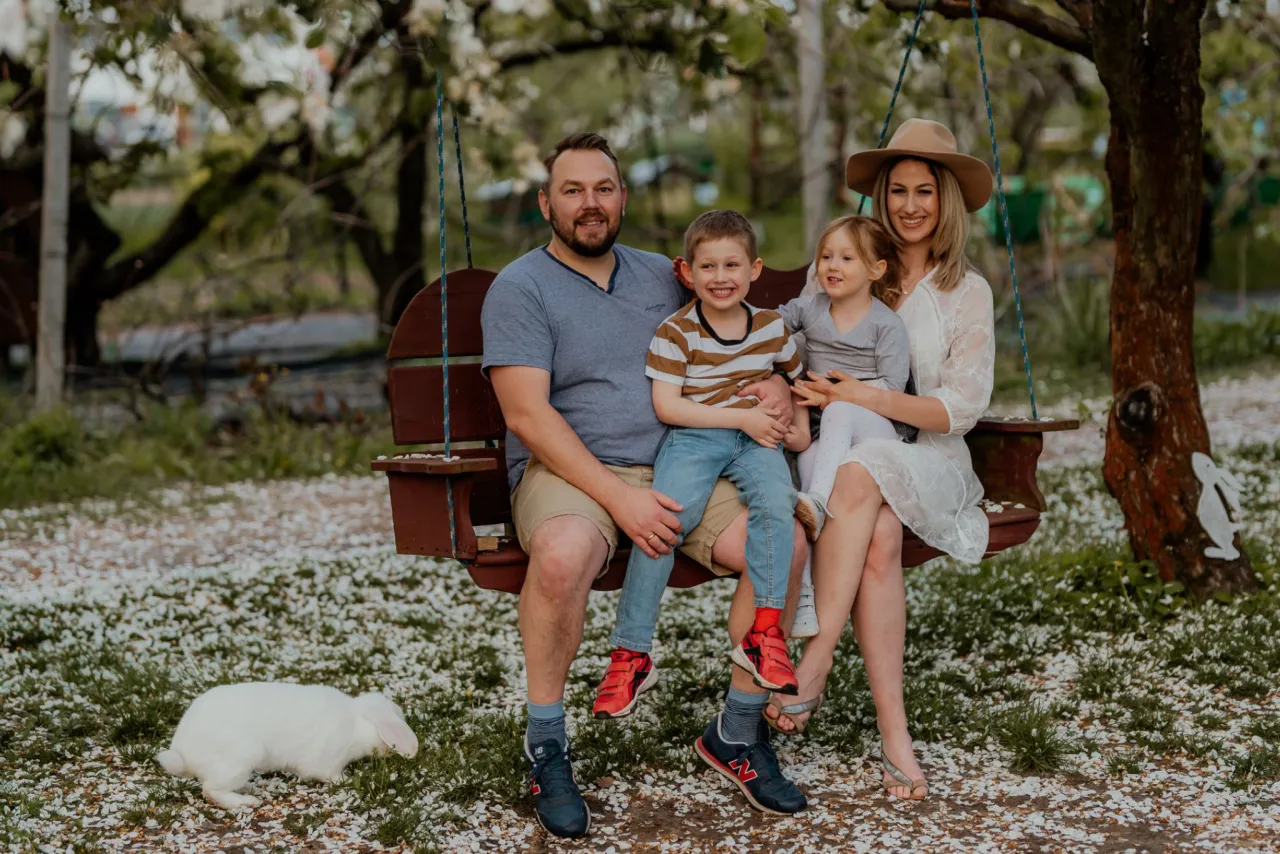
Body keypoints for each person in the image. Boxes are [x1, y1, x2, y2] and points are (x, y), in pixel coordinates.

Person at [480, 133, 809, 837]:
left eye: (603, 188)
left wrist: (778, 389)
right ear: (546, 203)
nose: (590, 204)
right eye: (572, 190)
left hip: (684, 462)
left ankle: (738, 733)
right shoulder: (521, 288)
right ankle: (546, 745)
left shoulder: (667, 274)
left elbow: (743, 333)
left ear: (622, 197)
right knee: (565, 554)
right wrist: (619, 498)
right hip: (571, 472)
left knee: (780, 542)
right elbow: (528, 416)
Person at [766, 118, 998, 803]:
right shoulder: (848, 260)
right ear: (882, 198)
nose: (910, 205)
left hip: (928, 456)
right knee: (879, 535)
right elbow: (796, 342)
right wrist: (783, 382)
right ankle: (895, 735)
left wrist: (868, 395)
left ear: (947, 197)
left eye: (925, 190)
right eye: (897, 190)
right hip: (838, 448)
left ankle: (814, 661)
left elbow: (961, 409)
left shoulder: (968, 292)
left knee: (869, 469)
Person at [596, 209, 809, 720]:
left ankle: (765, 631)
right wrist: (741, 416)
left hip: (758, 441)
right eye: (708, 267)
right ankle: (631, 653)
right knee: (663, 522)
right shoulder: (677, 333)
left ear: (754, 269)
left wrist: (793, 422)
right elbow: (668, 407)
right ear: (686, 273)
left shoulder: (772, 329)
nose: (720, 278)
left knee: (779, 506)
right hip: (695, 440)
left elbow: (796, 381)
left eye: (732, 265)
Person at [776, 215, 913, 636]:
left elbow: (892, 389)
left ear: (876, 270)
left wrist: (838, 392)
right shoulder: (811, 309)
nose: (832, 266)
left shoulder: (885, 325)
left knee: (836, 411)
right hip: (826, 435)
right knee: (806, 452)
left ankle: (816, 498)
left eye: (847, 258)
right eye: (826, 256)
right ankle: (804, 598)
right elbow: (768, 324)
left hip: (878, 431)